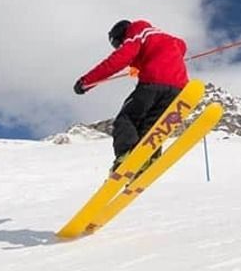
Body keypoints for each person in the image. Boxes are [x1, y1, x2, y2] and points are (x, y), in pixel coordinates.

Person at [74, 20, 189, 170]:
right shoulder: (165, 38)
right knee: (150, 127)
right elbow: (181, 46)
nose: (120, 47)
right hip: (178, 88)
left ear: (122, 35)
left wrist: (86, 81)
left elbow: (118, 59)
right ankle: (147, 159)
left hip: (153, 83)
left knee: (126, 119)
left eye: (118, 44)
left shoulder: (136, 31)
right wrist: (140, 64)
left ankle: (126, 156)